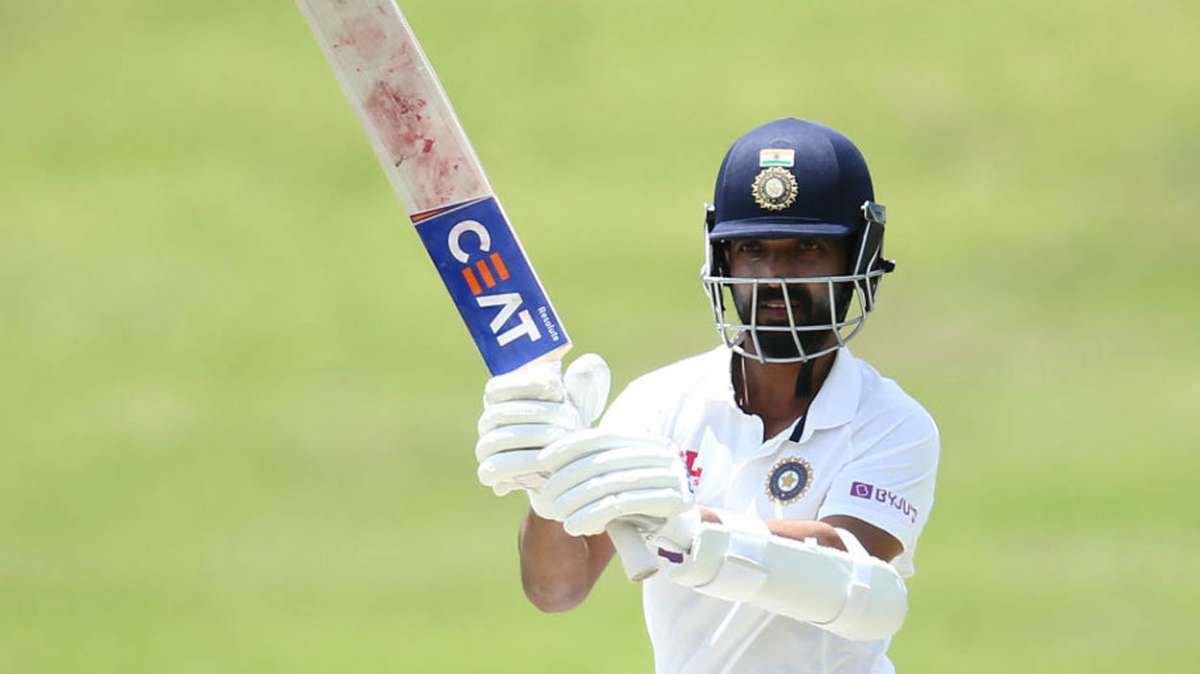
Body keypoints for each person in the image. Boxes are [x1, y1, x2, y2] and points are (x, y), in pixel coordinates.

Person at [474, 118, 940, 674]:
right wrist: (551, 489)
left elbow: (853, 579)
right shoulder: (659, 403)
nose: (775, 277)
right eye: (752, 249)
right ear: (724, 260)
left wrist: (691, 530)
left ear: (857, 258)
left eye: (808, 248)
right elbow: (557, 589)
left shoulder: (892, 423)